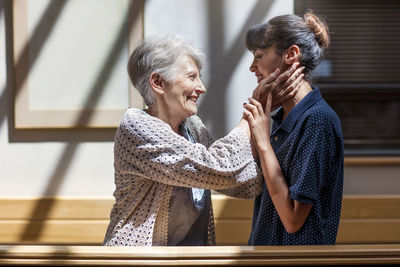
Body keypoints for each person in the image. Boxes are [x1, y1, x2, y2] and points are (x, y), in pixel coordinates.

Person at [103, 35, 303, 246]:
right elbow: (219, 166)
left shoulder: (192, 127)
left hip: (191, 259)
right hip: (136, 259)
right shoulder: (137, 127)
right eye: (192, 77)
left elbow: (244, 184)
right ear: (158, 82)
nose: (201, 87)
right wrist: (253, 110)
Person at [243, 12, 344, 245]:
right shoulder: (278, 118)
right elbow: (245, 182)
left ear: (291, 54)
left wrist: (263, 142)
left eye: (259, 56)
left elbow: (293, 220)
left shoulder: (318, 121)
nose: (252, 67)